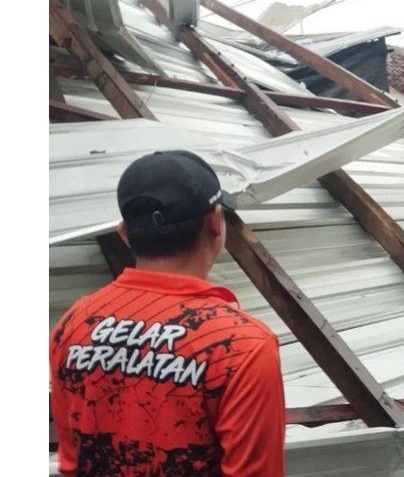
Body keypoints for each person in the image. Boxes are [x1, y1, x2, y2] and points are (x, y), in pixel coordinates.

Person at [50, 150, 285, 476]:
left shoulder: (74, 325)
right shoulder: (241, 347)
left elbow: (72, 463)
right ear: (215, 222)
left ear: (124, 233)